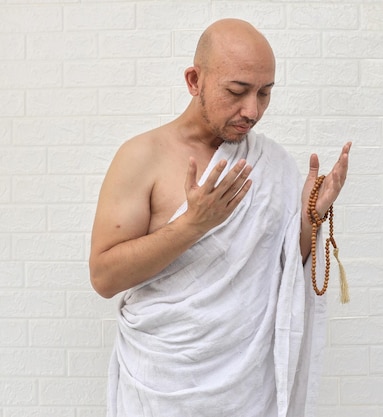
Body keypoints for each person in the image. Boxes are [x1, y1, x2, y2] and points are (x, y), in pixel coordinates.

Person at [89, 18, 351, 417]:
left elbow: (277, 272)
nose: (253, 110)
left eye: (265, 93)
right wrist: (192, 225)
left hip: (247, 386)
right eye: (237, 91)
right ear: (195, 80)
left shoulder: (272, 163)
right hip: (163, 382)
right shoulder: (142, 156)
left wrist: (310, 221)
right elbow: (105, 278)